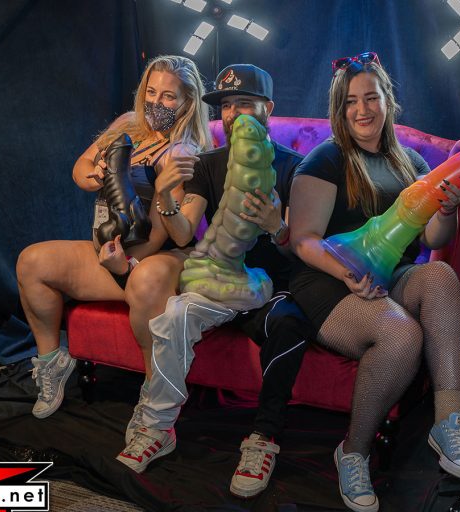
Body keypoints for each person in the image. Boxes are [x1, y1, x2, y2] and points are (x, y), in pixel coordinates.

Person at [288, 52, 460, 512]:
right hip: (329, 281)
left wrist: (447, 207)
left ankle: (448, 423)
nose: (362, 109)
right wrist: (348, 273)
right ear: (340, 109)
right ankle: (353, 453)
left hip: (390, 279)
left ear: (387, 100)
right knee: (401, 334)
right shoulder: (327, 158)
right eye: (351, 101)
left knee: (440, 274)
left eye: (371, 97)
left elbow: (435, 240)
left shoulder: (410, 162)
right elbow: (303, 240)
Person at [115, 64, 313, 499]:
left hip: (272, 285)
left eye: (245, 103)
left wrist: (277, 227)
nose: (234, 113)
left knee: (288, 324)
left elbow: (304, 249)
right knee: (175, 313)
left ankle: (262, 440)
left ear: (268, 108)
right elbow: (183, 232)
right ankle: (158, 428)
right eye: (226, 105)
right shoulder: (208, 164)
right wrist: (165, 197)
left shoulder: (295, 167)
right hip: (220, 278)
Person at [16, 55, 210, 426]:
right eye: (151, 92)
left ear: (188, 101)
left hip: (155, 257)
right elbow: (81, 168)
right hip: (108, 247)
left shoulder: (181, 152)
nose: (156, 103)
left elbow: (159, 235)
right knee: (32, 261)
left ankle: (155, 393)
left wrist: (125, 265)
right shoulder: (127, 124)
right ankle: (52, 363)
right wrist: (96, 173)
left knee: (145, 278)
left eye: (168, 96)